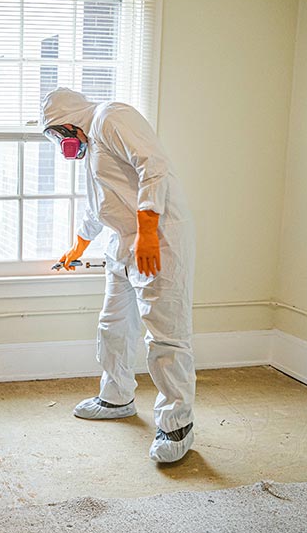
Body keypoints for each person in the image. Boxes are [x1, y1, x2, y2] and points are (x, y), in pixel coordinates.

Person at [42, 88, 196, 463]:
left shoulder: (111, 118)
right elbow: (101, 205)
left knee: (165, 334)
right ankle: (116, 398)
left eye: (60, 133)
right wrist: (79, 246)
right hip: (123, 242)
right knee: (113, 326)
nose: (63, 142)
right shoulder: (92, 144)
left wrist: (146, 233)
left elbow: (153, 165)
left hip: (158, 238)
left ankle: (177, 425)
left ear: (71, 119)